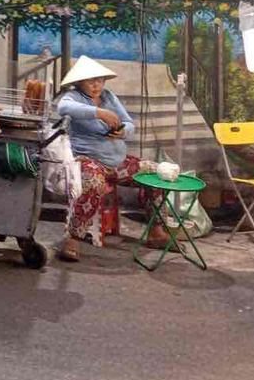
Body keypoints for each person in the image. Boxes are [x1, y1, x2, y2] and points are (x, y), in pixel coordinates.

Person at [55, 55, 170, 263]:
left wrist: (123, 131)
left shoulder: (108, 97)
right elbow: (63, 108)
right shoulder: (73, 97)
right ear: (79, 82)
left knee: (157, 174)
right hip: (88, 159)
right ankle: (72, 239)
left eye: (100, 80)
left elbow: (129, 123)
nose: (96, 85)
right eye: (91, 81)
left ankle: (156, 231)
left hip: (117, 162)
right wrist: (98, 113)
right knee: (93, 183)